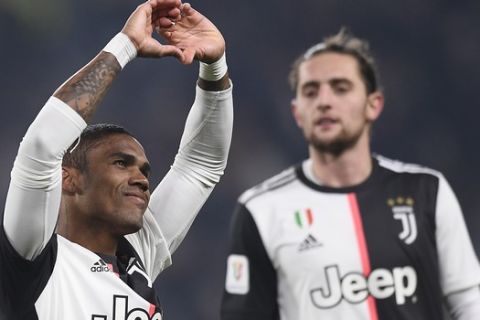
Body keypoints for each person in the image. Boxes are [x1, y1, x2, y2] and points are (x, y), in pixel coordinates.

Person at [220, 29, 480, 320]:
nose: (324, 101)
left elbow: (469, 302)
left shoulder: (426, 191)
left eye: (340, 88)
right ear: (296, 112)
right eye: (311, 91)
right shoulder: (261, 209)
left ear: (374, 104)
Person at [0, 0, 233, 319]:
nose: (142, 178)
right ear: (69, 178)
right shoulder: (34, 257)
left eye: (144, 170)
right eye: (121, 163)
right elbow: (41, 146)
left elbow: (200, 165)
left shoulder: (138, 255)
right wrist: (127, 44)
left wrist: (215, 65)